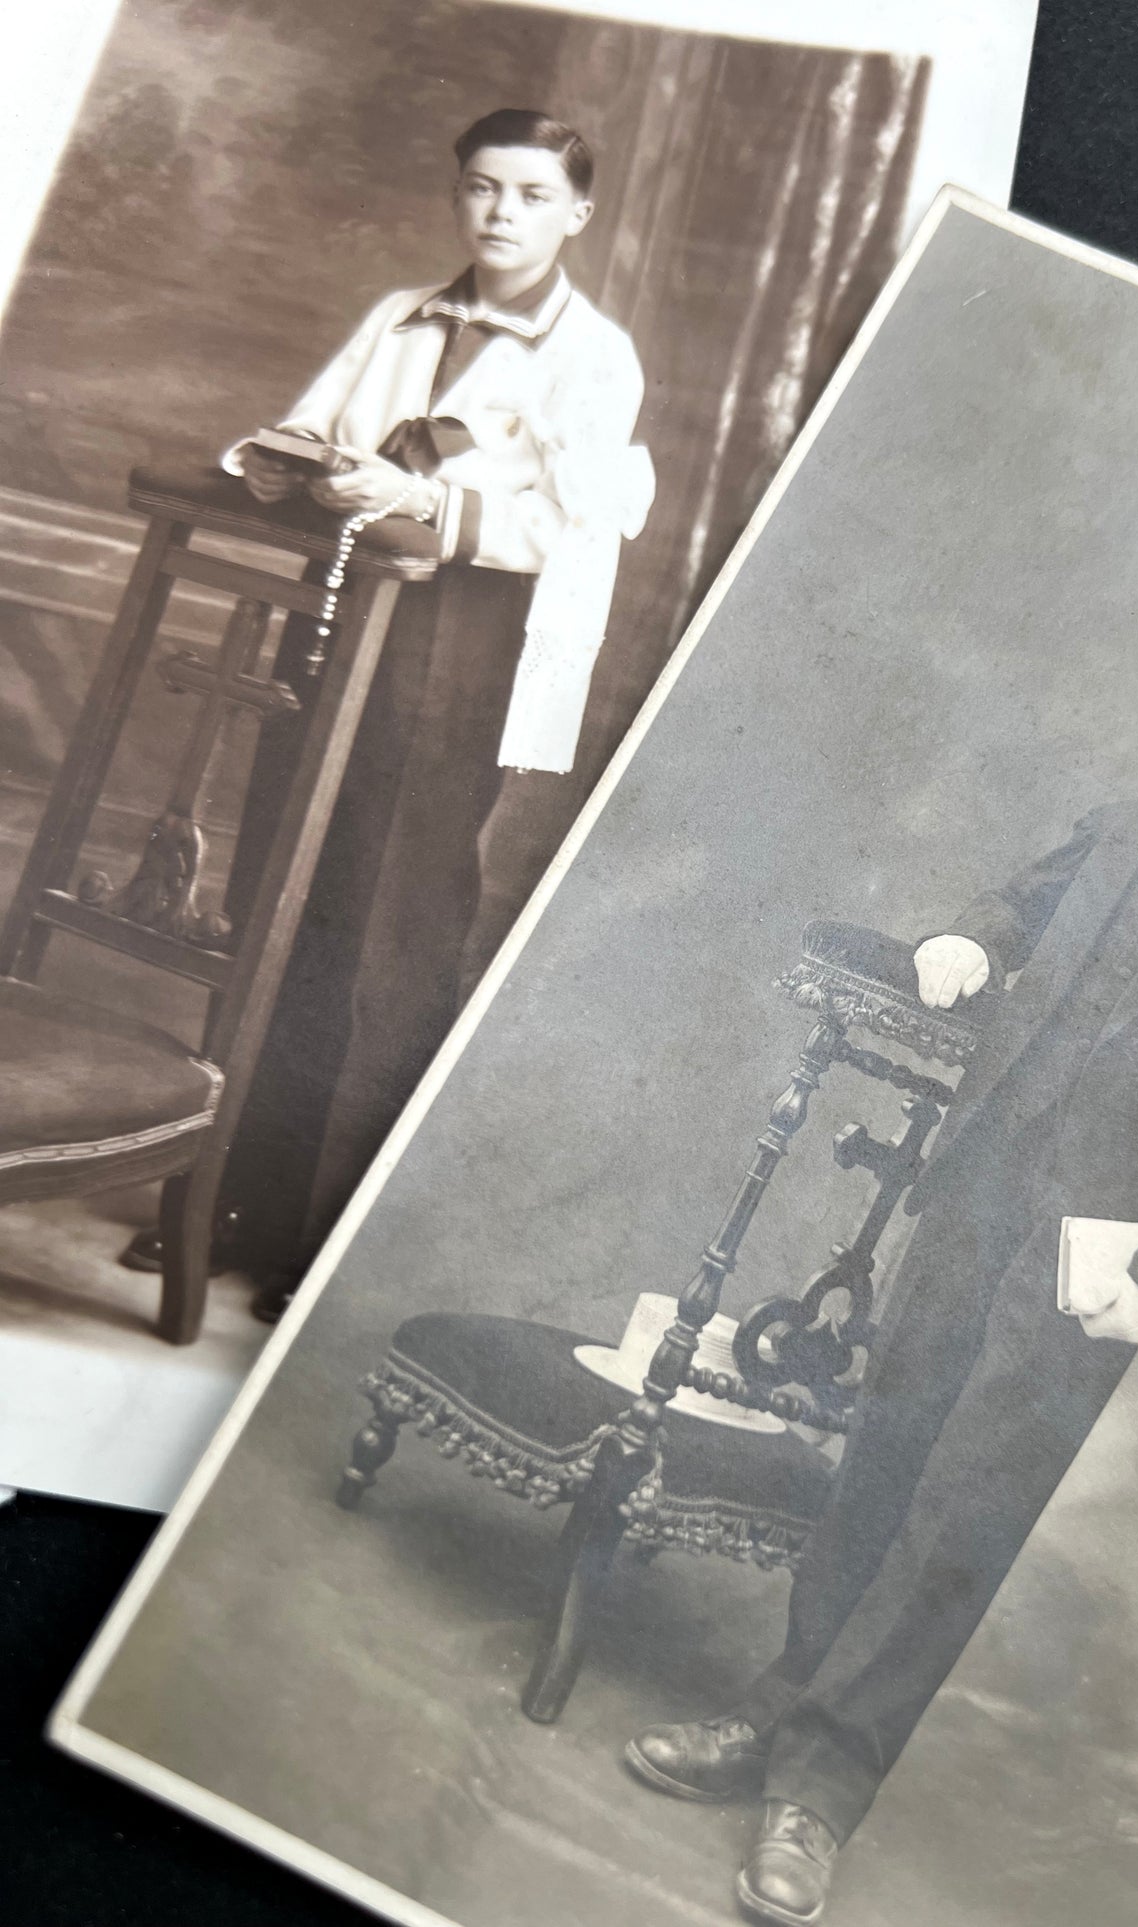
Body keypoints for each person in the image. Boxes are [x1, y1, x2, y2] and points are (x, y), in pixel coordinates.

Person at [624, 646, 1138, 1927]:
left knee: (967, 1504)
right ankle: (771, 1708)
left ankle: (824, 1788)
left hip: (1097, 1256)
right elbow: (1018, 905)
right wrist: (971, 938)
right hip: (973, 1190)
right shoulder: (1121, 828)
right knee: (883, 1455)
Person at [122, 109, 653, 1315]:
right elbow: (315, 425)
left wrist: (418, 495)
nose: (499, 214)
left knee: (390, 925)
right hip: (340, 616)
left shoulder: (594, 354)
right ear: (455, 199)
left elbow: (568, 529)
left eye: (528, 194)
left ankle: (325, 1226)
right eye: (479, 188)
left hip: (455, 644)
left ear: (576, 213)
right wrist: (311, 463)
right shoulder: (399, 318)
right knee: (284, 896)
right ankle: (230, 1194)